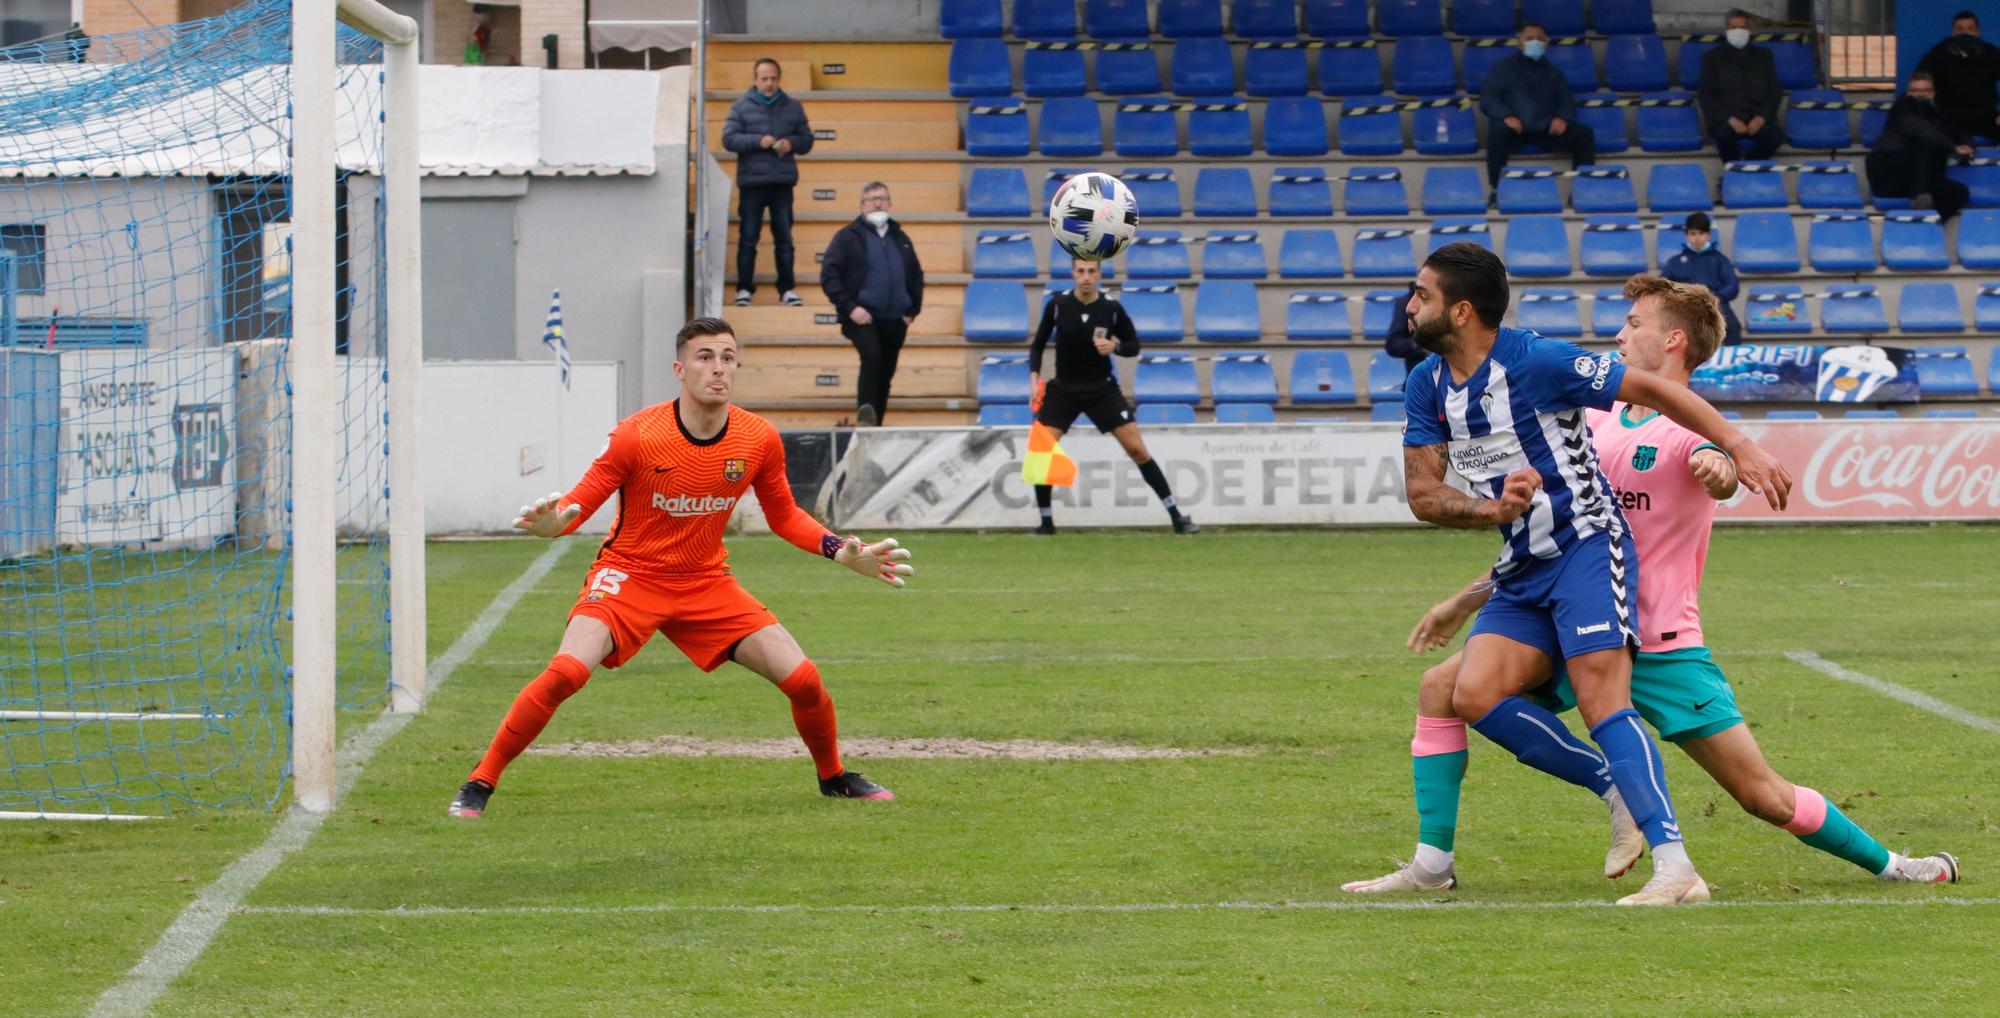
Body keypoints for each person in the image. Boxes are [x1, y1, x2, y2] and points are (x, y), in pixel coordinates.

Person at [1347, 275, 1959, 894]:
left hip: (1661, 641)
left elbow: (1716, 473)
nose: (1619, 332)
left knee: (1763, 796)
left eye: (1634, 323)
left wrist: (1721, 465)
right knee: (1445, 689)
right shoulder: (1592, 422)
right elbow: (1560, 534)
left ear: (1671, 339)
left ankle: (1893, 865)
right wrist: (1468, 597)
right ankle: (1433, 864)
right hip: (1570, 624)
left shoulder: (1692, 432)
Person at [1395, 243, 1793, 906]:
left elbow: (1658, 389)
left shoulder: (1537, 361)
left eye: (1422, 295)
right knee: (1470, 693)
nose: (1409, 306)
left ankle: (1676, 868)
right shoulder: (1427, 385)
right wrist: (1493, 508)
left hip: (1587, 547)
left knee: (1602, 697)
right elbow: (1422, 494)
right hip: (1523, 561)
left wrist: (1739, 445)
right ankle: (1611, 788)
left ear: (1461, 311)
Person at [447, 317, 916, 818]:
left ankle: (834, 777)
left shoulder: (757, 438)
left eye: (728, 357)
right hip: (630, 577)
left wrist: (839, 550)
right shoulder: (636, 436)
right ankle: (480, 782)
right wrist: (552, 527)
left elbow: (784, 516)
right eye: (706, 357)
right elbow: (576, 506)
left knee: (804, 680)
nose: (719, 368)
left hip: (706, 583)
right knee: (565, 672)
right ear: (680, 368)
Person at [1028, 260, 1198, 536]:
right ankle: (1046, 523)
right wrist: (1034, 380)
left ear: (1099, 274)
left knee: (1138, 450)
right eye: (1080, 271)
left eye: (1091, 272)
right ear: (1073, 273)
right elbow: (1037, 346)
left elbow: (1133, 346)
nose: (1085, 277)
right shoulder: (1058, 306)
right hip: (1064, 389)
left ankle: (1177, 517)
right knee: (1041, 451)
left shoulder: (1111, 308)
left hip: (1101, 389)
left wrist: (1115, 346)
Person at [819, 182, 924, 427]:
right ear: (862, 204)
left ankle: (877, 425)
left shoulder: (901, 237)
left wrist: (912, 310)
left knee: (886, 372)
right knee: (872, 356)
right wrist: (850, 307)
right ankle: (866, 415)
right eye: (872, 199)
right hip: (861, 316)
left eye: (883, 199)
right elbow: (829, 275)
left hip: (896, 319)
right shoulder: (847, 236)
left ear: (890, 203)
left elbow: (916, 275)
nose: (878, 203)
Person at [722, 58, 814, 308]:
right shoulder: (740, 107)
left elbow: (807, 140)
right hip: (752, 183)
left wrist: (791, 144)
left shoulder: (794, 107)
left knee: (784, 238)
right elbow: (728, 140)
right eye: (764, 78)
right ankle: (743, 289)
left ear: (779, 79)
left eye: (773, 78)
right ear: (755, 79)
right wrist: (757, 141)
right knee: (748, 238)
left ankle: (787, 289)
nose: (769, 83)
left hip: (782, 183)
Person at [1478, 23, 1595, 194]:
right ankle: (1497, 190)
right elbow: (1488, 98)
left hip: (1546, 130)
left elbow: (1567, 102)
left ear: (1546, 43)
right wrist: (1506, 116)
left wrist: (1562, 118)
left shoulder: (1554, 73)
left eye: (1540, 39)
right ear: (1520, 43)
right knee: (1497, 134)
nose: (1535, 42)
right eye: (1530, 38)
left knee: (1584, 135)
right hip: (1514, 130)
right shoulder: (1503, 67)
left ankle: (1582, 190)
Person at [1867, 71, 1976, 221]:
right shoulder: (1902, 107)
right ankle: (1920, 199)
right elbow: (1923, 130)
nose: (1922, 95)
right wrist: (1953, 147)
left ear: (1934, 93)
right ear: (1908, 93)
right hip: (1889, 175)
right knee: (1925, 143)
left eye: (1926, 91)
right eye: (1916, 91)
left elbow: (1961, 133)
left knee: (1959, 192)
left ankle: (1931, 223)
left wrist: (1969, 148)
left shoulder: (1939, 113)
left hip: (1921, 181)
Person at [1697, 11, 1783, 163]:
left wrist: (1761, 118)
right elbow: (1707, 95)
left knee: (1774, 137)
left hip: (1757, 119)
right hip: (1726, 120)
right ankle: (1733, 174)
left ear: (1749, 30)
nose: (1738, 31)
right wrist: (1730, 120)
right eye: (1733, 27)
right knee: (1724, 136)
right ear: (1726, 30)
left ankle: (1749, 168)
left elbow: (1774, 91)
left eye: (1742, 27)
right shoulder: (1712, 58)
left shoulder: (1764, 56)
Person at [1916, 11, 2000, 145]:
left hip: (1985, 116)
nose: (1965, 33)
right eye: (1960, 29)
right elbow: (1920, 77)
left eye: (1970, 29)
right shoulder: (1939, 53)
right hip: (1948, 117)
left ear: (1978, 32)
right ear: (1953, 32)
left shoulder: (1991, 53)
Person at [1660, 213, 1742, 346]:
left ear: (1708, 235)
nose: (1697, 238)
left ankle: (1731, 364)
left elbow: (1733, 286)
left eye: (1701, 233)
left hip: (1715, 306)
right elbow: (1661, 287)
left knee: (1733, 327)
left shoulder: (1720, 260)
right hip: (1684, 307)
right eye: (1693, 233)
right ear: (1687, 235)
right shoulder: (1674, 262)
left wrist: (1714, 297)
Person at [1383, 281, 1425, 375]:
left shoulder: (1457, 299)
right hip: (1419, 379)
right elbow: (1393, 344)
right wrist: (1421, 345)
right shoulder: (1407, 301)